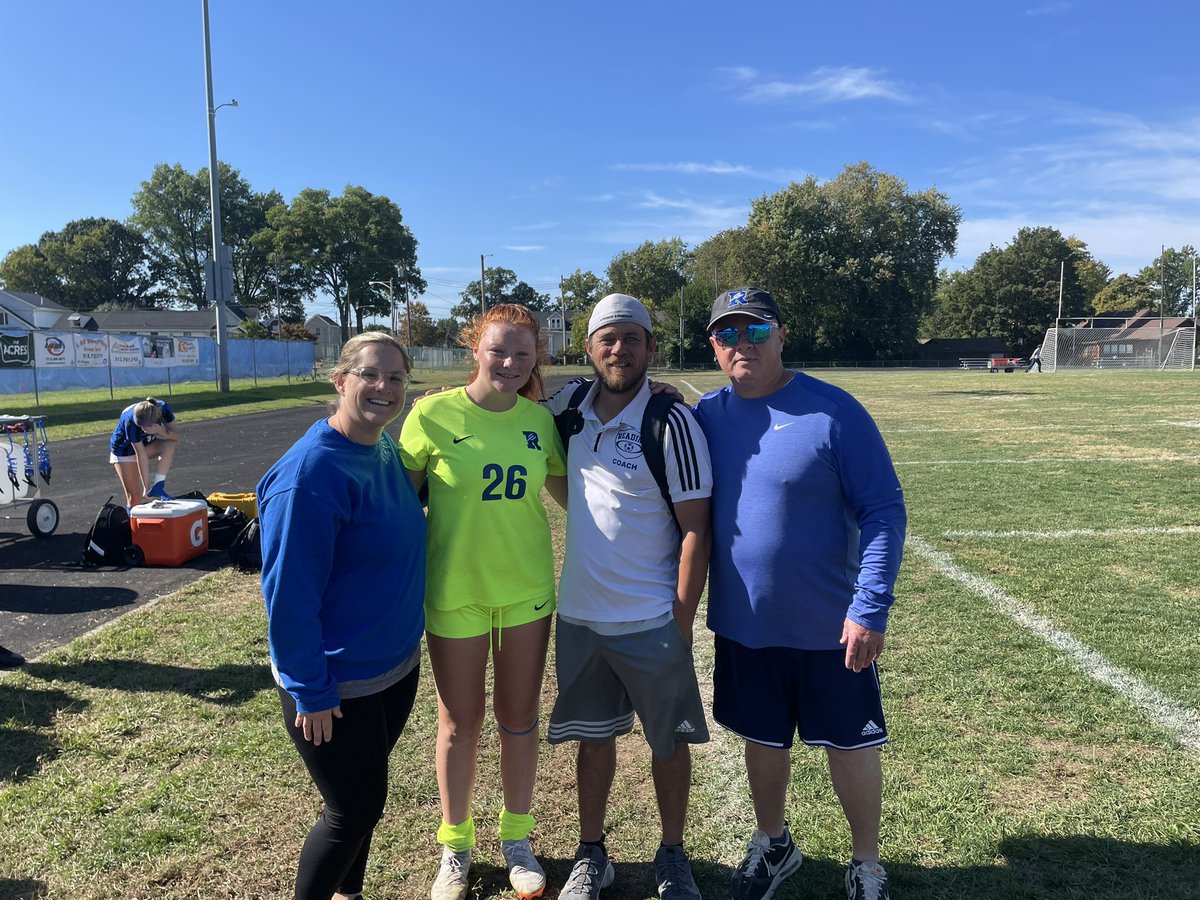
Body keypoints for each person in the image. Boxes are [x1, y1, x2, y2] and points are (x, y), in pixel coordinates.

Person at [691, 288, 907, 900]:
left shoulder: (834, 411)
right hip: (744, 623)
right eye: (728, 334)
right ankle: (774, 842)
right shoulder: (705, 416)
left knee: (851, 742)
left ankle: (866, 863)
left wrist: (869, 607)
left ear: (782, 335)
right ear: (714, 346)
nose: (742, 344)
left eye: (756, 331)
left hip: (830, 627)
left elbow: (883, 511)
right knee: (761, 737)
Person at [544, 294, 713, 900]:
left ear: (651, 348)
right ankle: (592, 854)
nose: (619, 350)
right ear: (589, 348)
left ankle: (673, 854)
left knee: (668, 742)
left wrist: (681, 619)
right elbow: (507, 401)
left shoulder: (672, 421)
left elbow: (696, 529)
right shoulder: (567, 406)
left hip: (651, 618)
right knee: (593, 740)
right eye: (607, 339)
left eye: (632, 339)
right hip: (580, 615)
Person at [400, 304, 567, 900]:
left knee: (519, 720)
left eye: (523, 353)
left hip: (525, 592)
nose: (510, 363)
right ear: (475, 348)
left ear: (536, 358)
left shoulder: (539, 421)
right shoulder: (431, 414)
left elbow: (579, 496)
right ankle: (456, 847)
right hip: (455, 592)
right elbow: (398, 506)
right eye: (498, 350)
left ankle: (517, 838)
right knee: (459, 723)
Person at [258, 332, 426, 900]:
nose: (384, 388)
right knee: (351, 809)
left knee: (365, 802)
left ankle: (347, 894)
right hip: (337, 681)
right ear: (340, 380)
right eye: (369, 375)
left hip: (393, 666)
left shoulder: (380, 447)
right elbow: (289, 599)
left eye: (396, 378)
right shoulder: (309, 477)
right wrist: (310, 689)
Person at [108, 397, 181, 507]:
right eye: (140, 426)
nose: (142, 429)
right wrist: (145, 488)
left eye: (145, 426)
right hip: (124, 451)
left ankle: (158, 486)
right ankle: (130, 517)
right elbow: (141, 456)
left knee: (170, 444)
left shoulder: (163, 409)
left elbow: (178, 437)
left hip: (146, 445)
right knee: (134, 498)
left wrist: (161, 431)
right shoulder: (130, 421)